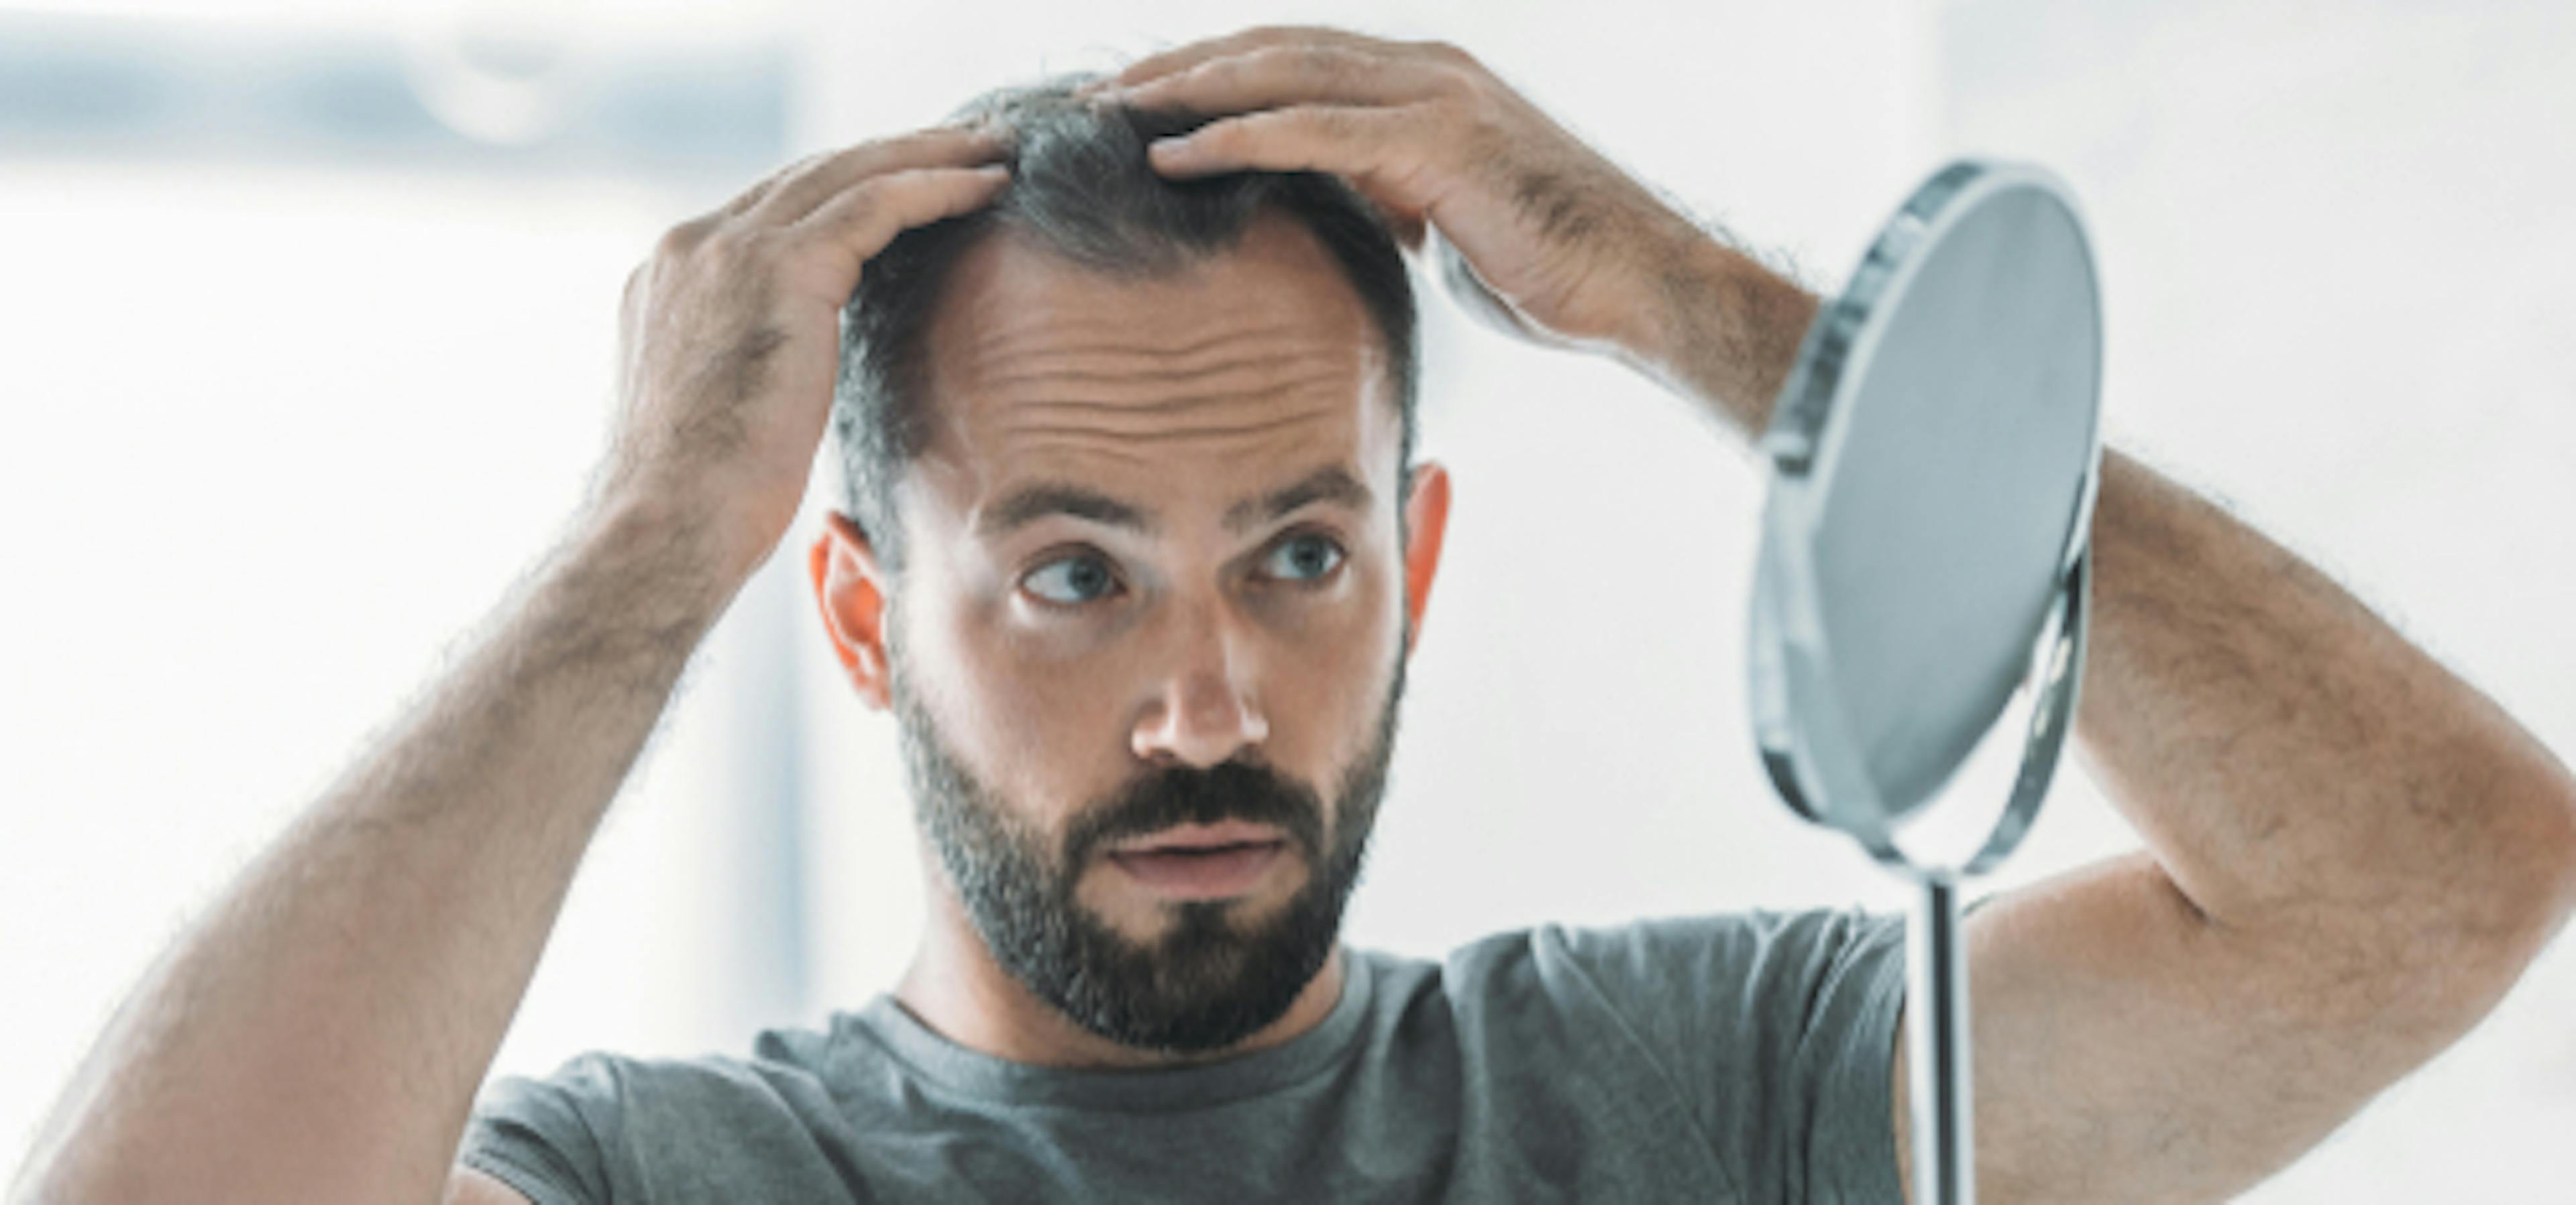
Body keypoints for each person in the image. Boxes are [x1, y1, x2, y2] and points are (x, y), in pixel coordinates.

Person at [14, 24, 2575, 1205]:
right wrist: (620, 567)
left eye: (1301, 555)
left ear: (1416, 564)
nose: (1210, 697)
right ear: (861, 616)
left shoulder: (1706, 1094)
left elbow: (2430, 883)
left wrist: (1711, 312)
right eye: (1069, 574)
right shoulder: (679, 1181)